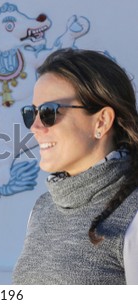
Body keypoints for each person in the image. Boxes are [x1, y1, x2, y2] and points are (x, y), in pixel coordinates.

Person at [13, 48, 138, 285]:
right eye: (31, 113)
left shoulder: (133, 214)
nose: (35, 127)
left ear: (101, 121)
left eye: (49, 112)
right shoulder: (42, 209)